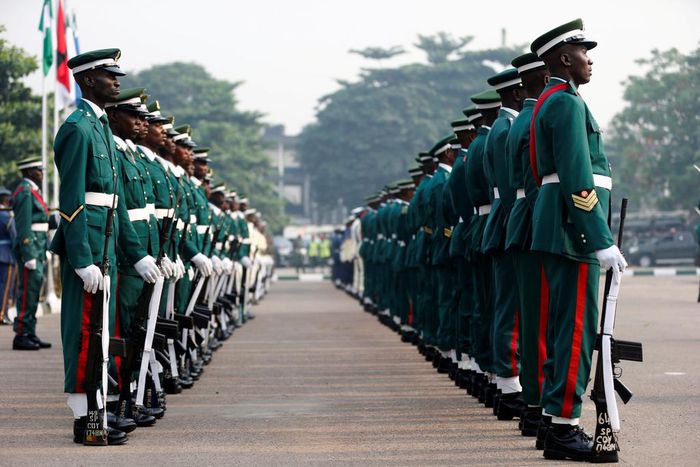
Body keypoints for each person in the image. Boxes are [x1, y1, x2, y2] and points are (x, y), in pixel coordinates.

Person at [51, 48, 161, 446]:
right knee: (83, 333)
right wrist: (80, 258)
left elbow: (119, 205)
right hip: (89, 249)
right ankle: (85, 421)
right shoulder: (77, 128)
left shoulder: (101, 130)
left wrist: (138, 254)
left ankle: (100, 410)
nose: (117, 81)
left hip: (109, 247)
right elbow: (73, 200)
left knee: (103, 334)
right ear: (86, 80)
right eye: (108, 75)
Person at [529, 19, 627, 462]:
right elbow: (577, 175)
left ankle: (555, 424)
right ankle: (566, 427)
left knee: (562, 326)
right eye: (585, 53)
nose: (591, 61)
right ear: (565, 57)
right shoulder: (565, 103)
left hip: (562, 226)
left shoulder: (555, 100)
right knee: (574, 330)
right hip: (574, 231)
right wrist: (599, 238)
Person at [504, 52, 551, 438]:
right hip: (535, 223)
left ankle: (534, 403)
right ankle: (537, 405)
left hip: (522, 221)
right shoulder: (532, 119)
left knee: (532, 320)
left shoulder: (520, 120)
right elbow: (536, 181)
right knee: (538, 322)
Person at [11, 157, 51, 350]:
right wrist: (28, 255)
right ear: (28, 173)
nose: (42, 174)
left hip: (39, 246)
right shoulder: (25, 193)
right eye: (38, 170)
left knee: (34, 292)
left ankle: (30, 331)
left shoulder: (33, 192)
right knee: (27, 292)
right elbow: (24, 226)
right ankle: (21, 334)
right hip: (31, 248)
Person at [0, 187, 16, 326]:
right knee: (5, 288)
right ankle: (2, 315)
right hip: (6, 254)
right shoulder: (7, 216)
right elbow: (15, 236)